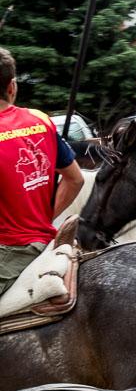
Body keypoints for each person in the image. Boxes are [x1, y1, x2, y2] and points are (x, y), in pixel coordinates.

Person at [0, 47, 84, 294]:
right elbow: (75, 179)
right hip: (46, 239)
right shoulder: (40, 120)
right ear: (12, 86)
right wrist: (41, 219)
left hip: (10, 250)